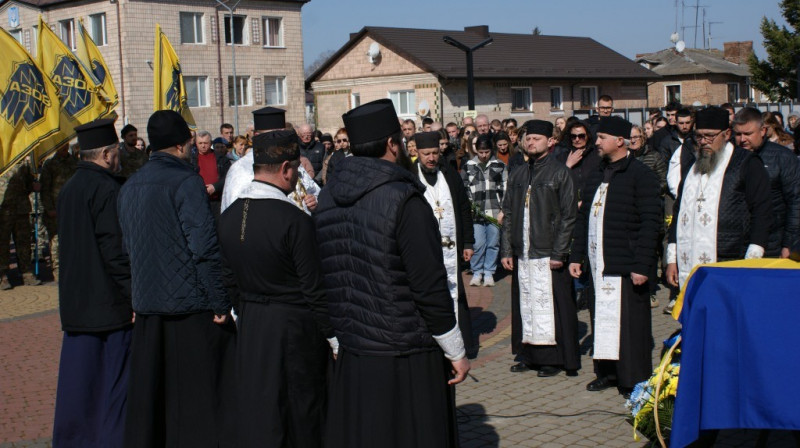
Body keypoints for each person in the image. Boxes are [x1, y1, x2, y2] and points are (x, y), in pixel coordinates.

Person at [315, 99, 469, 448]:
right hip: (405, 352)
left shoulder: (327, 197)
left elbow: (322, 274)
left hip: (355, 348)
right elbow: (428, 285)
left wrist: (334, 336)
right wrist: (456, 350)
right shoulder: (405, 200)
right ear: (392, 144)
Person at [118, 110, 235, 448]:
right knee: (198, 398)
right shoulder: (186, 182)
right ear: (183, 145)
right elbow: (204, 248)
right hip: (189, 309)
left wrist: (134, 298)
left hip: (148, 307)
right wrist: (220, 303)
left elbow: (128, 250)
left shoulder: (130, 185)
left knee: (156, 400)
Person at [218, 130, 336, 447]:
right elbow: (314, 287)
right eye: (296, 169)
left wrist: (247, 313)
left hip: (253, 326)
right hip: (295, 330)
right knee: (300, 411)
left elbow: (228, 279)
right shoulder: (295, 221)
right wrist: (333, 337)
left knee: (260, 408)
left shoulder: (228, 217)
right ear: (286, 168)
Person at [52, 119, 133, 448]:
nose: (119, 157)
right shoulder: (107, 189)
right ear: (106, 155)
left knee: (78, 388)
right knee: (114, 387)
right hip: (108, 305)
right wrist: (133, 295)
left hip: (76, 303)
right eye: (116, 152)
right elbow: (115, 251)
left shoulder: (69, 189)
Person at [568, 116, 661, 397]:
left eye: (601, 138)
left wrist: (642, 264)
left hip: (626, 264)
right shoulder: (597, 173)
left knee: (629, 326)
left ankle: (633, 378)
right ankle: (606, 373)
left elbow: (651, 223)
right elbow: (584, 218)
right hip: (599, 264)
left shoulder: (641, 175)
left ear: (620, 141)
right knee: (602, 320)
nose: (596, 142)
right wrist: (576, 255)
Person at [500, 120, 580, 378]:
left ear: (550, 141)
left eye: (536, 138)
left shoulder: (560, 173)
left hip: (548, 252)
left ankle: (553, 358)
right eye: (528, 138)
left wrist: (560, 252)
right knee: (526, 303)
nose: (531, 142)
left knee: (551, 305)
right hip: (523, 252)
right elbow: (508, 213)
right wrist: (506, 250)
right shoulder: (518, 173)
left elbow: (568, 216)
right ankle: (529, 354)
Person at [665, 107, 774, 292]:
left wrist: (753, 256)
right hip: (689, 259)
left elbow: (762, 211)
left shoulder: (747, 163)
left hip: (731, 257)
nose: (703, 142)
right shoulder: (692, 165)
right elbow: (678, 212)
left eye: (709, 136)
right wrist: (672, 259)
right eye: (699, 136)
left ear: (727, 134)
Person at [415, 131, 476, 356]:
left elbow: (464, 208)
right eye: (426, 154)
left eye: (434, 153)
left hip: (451, 248)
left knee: (455, 291)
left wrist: (468, 242)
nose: (431, 158)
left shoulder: (450, 174)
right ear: (417, 152)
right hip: (424, 250)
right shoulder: (410, 176)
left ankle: (462, 344)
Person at [221, 107, 320, 215]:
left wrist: (313, 200)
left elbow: (313, 190)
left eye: (282, 134)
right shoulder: (241, 168)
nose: (279, 138)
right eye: (274, 135)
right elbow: (233, 212)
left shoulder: (290, 158)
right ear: (257, 136)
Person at [733, 108, 800, 259]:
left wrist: (788, 244)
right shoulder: (731, 157)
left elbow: (795, 202)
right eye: (738, 134)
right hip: (737, 242)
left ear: (763, 131)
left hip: (772, 241)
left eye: (748, 134)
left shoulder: (782, 157)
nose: (742, 139)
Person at [462, 134, 507, 287]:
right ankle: (477, 271)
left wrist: (503, 211)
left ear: (491, 150)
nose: (483, 155)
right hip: (476, 213)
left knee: (493, 243)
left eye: (486, 152)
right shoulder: (468, 166)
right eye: (480, 152)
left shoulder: (499, 165)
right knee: (478, 243)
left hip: (494, 211)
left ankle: (489, 272)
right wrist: (469, 206)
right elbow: (464, 188)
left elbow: (505, 189)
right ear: (476, 150)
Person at [39, 143, 77, 282]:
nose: (64, 148)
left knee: (73, 240)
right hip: (56, 209)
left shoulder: (75, 162)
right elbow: (45, 188)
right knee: (56, 242)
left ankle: (73, 269)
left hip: (72, 208)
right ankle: (58, 270)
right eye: (61, 145)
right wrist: (49, 208)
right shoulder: (50, 164)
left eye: (66, 144)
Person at [0, 159, 40, 289]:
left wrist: (34, 186)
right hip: (3, 208)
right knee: (2, 243)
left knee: (24, 242)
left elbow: (28, 183)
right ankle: (2, 276)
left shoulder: (23, 163)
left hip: (21, 208)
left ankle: (26, 272)